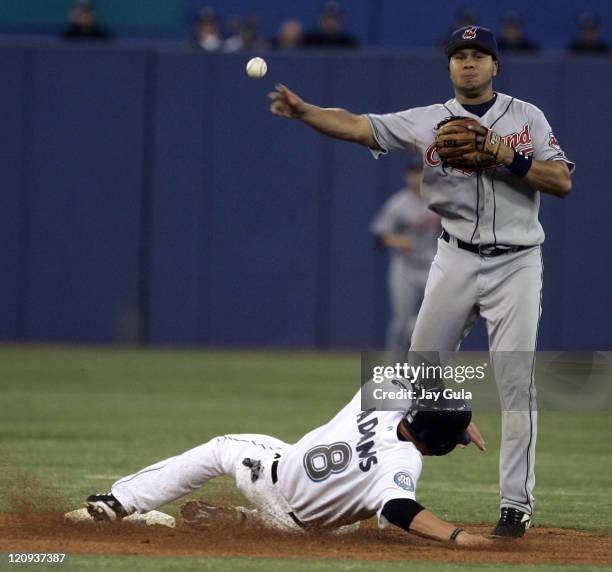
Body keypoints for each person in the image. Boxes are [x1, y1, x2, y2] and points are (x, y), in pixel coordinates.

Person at [268, 25, 574, 538]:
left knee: (517, 383)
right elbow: (356, 126)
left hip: (517, 260)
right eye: (459, 56)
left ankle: (515, 507)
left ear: (496, 66)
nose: (468, 63)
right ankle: (383, 479)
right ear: (449, 66)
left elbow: (561, 180)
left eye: (479, 55)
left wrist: (506, 154)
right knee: (417, 375)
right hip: (453, 257)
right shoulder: (427, 121)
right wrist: (305, 113)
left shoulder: (527, 118)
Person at [85, 381, 490, 547]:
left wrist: (452, 414)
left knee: (220, 449)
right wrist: (458, 537)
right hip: (302, 526)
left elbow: (414, 378)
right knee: (353, 515)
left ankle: (119, 501)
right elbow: (399, 507)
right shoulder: (401, 465)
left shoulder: (377, 394)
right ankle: (246, 522)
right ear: (437, 443)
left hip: (271, 476)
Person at [370, 160, 440, 365]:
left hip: (431, 266)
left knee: (431, 321)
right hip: (404, 268)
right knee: (401, 323)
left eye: (420, 173)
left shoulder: (439, 202)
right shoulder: (397, 203)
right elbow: (380, 236)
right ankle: (395, 366)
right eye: (413, 173)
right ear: (407, 177)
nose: (416, 178)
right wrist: (398, 240)